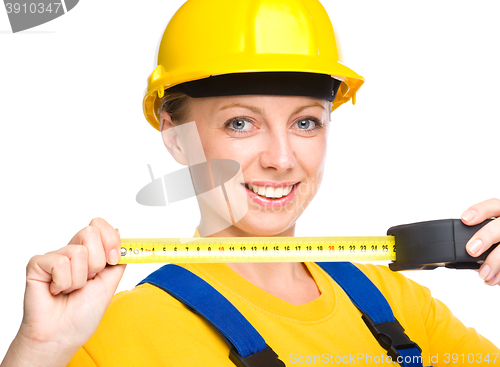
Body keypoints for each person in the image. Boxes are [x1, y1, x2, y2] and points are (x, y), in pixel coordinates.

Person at [1, 0, 499, 366]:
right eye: (240, 123)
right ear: (177, 140)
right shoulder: (106, 335)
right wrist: (38, 353)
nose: (282, 159)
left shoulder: (397, 303)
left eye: (306, 122)